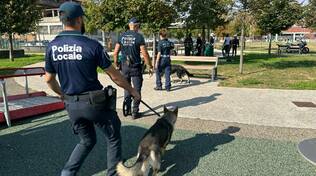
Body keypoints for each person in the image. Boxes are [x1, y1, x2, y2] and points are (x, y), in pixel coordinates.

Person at [44, 2, 141, 176]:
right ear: (79, 19)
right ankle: (113, 173)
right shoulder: (92, 45)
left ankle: (67, 173)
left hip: (71, 106)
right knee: (113, 137)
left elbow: (49, 79)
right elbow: (115, 76)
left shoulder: (52, 47)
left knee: (86, 141)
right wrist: (132, 91)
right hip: (94, 104)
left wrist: (62, 94)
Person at [113, 17, 153, 119]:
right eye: (138, 26)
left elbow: (115, 53)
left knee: (127, 88)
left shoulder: (121, 36)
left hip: (124, 67)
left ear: (129, 25)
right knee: (137, 89)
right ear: (136, 26)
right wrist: (150, 66)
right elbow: (144, 53)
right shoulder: (139, 37)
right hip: (135, 67)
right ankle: (135, 112)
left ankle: (127, 110)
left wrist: (116, 64)